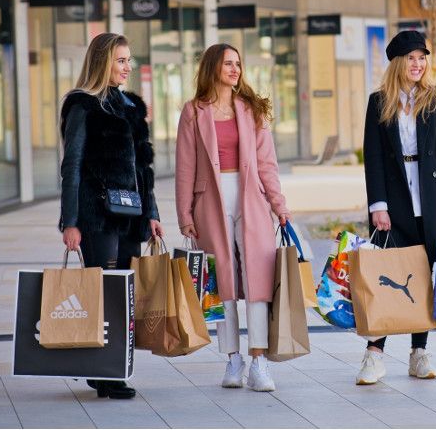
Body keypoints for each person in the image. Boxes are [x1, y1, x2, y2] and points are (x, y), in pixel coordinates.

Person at [175, 43, 290, 392]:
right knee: (221, 280)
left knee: (257, 277)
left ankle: (259, 362)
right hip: (209, 200)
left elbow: (267, 164)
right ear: (213, 67)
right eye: (228, 63)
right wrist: (184, 214)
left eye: (238, 63)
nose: (235, 69)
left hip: (250, 198)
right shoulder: (193, 111)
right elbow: (185, 166)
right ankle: (233, 359)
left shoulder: (250, 109)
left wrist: (279, 206)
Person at [59, 32, 164, 400]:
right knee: (101, 292)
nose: (127, 67)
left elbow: (144, 168)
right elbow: (72, 165)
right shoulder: (82, 106)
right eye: (121, 60)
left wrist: (152, 213)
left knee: (124, 295)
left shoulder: (131, 107)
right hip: (97, 216)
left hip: (131, 216)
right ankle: (104, 373)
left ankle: (113, 369)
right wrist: (70, 221)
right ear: (103, 62)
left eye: (129, 60)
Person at [357, 30, 436, 385]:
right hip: (394, 201)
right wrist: (378, 205)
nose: (418, 64)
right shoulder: (378, 102)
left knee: (422, 277)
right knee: (388, 277)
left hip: (429, 200)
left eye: (422, 58)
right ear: (398, 63)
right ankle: (374, 354)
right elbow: (373, 158)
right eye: (411, 58)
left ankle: (419, 352)